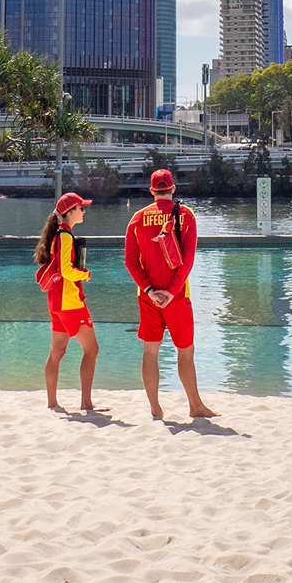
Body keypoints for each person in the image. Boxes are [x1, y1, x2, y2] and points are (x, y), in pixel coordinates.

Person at [124, 169, 217, 420]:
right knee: (185, 351)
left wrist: (150, 290)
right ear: (173, 189)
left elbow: (131, 262)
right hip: (177, 297)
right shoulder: (185, 215)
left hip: (148, 297)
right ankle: (195, 405)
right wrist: (172, 291)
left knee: (150, 352)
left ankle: (155, 407)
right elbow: (187, 261)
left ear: (152, 191)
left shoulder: (137, 218)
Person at [35, 192, 106, 412]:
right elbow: (67, 270)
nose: (84, 211)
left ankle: (52, 402)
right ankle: (86, 403)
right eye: (81, 208)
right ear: (70, 212)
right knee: (92, 350)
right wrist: (85, 274)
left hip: (56, 301)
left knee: (56, 351)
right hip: (70, 301)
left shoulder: (58, 235)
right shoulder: (65, 236)